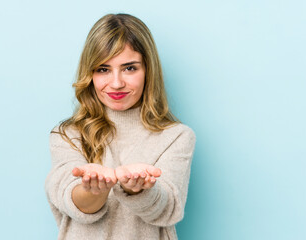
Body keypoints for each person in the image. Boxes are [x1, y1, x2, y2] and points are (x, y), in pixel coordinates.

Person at [45, 13, 196, 240]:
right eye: (103, 69)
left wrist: (139, 189)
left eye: (129, 68)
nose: (116, 83)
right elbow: (69, 198)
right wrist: (94, 189)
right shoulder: (67, 135)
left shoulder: (176, 137)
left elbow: (169, 209)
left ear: (148, 71)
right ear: (90, 74)